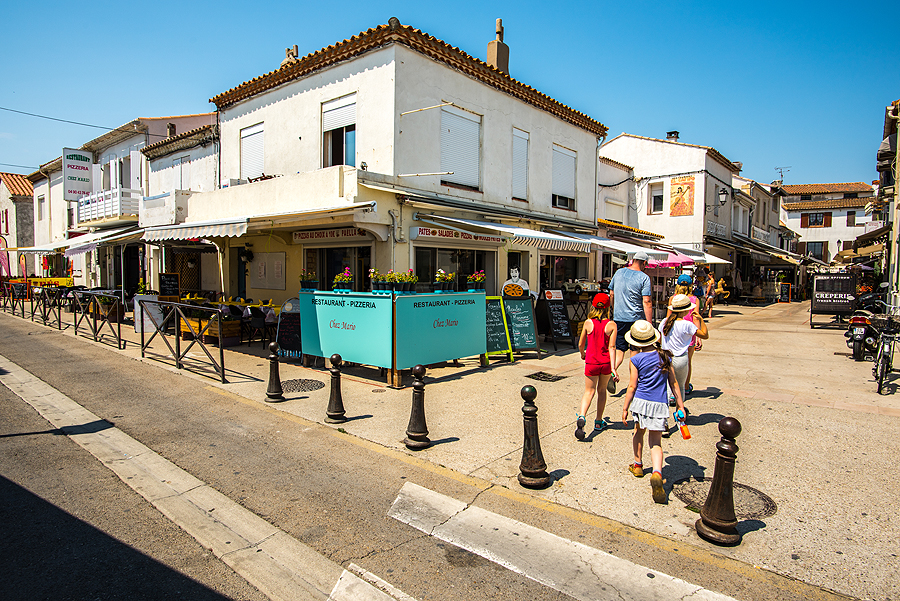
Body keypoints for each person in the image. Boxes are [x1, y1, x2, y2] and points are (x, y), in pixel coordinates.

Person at [620, 320, 685, 504]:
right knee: (656, 442)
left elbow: (632, 386)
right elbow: (674, 383)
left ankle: (638, 465)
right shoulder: (665, 357)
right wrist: (680, 406)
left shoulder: (635, 360)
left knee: (638, 432)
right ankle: (657, 472)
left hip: (641, 403)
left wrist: (625, 407)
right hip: (659, 404)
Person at [659, 295, 709, 435]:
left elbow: (660, 339)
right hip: (680, 359)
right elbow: (705, 335)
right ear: (686, 310)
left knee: (665, 390)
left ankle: (663, 423)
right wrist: (700, 319)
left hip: (665, 358)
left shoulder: (664, 322)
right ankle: (679, 416)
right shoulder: (687, 324)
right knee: (679, 388)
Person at [575, 293, 617, 440]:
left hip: (591, 362)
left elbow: (581, 343)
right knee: (602, 390)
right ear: (608, 308)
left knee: (589, 391)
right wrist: (613, 368)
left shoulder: (588, 323)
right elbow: (612, 347)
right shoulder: (611, 325)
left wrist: (582, 354)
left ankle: (582, 416)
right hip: (605, 363)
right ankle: (598, 421)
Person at [609, 251, 652, 387]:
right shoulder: (644, 278)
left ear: (633, 260)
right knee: (635, 351)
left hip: (619, 318)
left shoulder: (618, 273)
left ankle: (612, 372)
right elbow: (647, 301)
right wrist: (649, 323)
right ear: (644, 263)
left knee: (620, 350)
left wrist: (614, 309)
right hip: (636, 319)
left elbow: (611, 294)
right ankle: (633, 383)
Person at [665, 274, 702, 395]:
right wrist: (699, 337)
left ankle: (672, 387)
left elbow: (668, 317)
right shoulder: (695, 300)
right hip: (689, 334)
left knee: (672, 360)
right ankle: (685, 387)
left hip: (674, 333)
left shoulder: (673, 299)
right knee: (687, 361)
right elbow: (696, 318)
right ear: (691, 286)